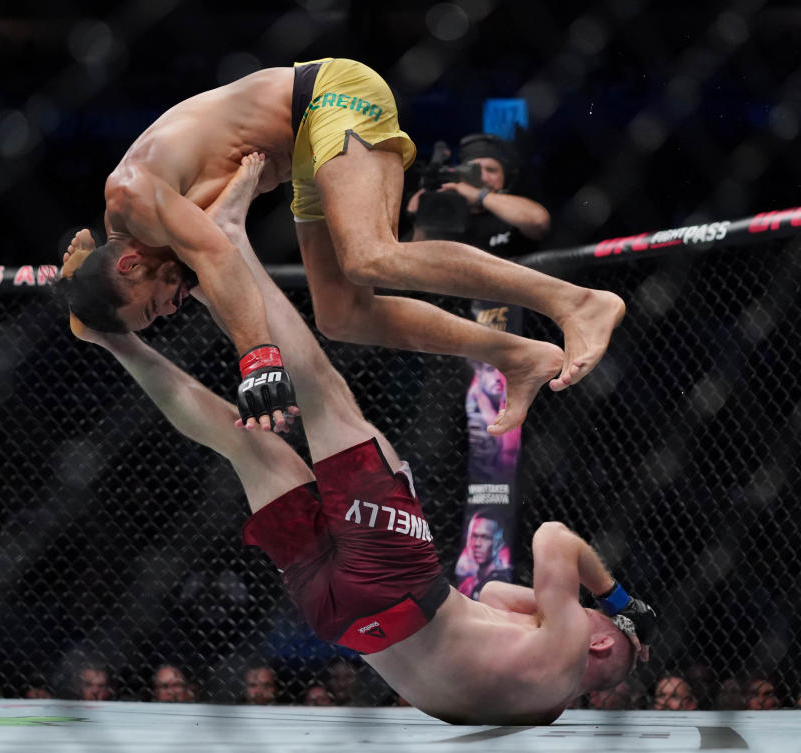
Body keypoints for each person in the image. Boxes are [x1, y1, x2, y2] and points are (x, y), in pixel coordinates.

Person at [59, 155, 654, 725]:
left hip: (394, 583)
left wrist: (625, 606)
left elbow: (555, 542)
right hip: (339, 619)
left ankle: (228, 240)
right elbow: (496, 591)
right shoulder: (542, 698)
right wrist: (582, 619)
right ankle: (114, 342)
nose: (584, 614)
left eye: (594, 623)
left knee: (322, 392)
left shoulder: (574, 644)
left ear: (599, 645)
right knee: (243, 443)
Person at [57, 57, 625, 436]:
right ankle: (516, 355)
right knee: (340, 314)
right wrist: (80, 294)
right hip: (304, 152)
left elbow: (221, 256)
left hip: (326, 98)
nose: (173, 309)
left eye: (156, 306)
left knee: (371, 254)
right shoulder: (138, 243)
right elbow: (183, 272)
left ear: (130, 264)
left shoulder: (133, 196)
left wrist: (257, 360)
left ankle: (575, 301)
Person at [406, 132, 550, 253]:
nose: (483, 177)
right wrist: (420, 219)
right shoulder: (444, 213)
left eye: (491, 170)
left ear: (505, 178)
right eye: (473, 170)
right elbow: (413, 263)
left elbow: (538, 222)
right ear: (460, 174)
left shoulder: (515, 214)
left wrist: (479, 195)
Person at [454, 513, 512, 598]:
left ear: (499, 543)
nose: (477, 544)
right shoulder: (466, 584)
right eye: (474, 536)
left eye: (485, 537)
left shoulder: (503, 581)